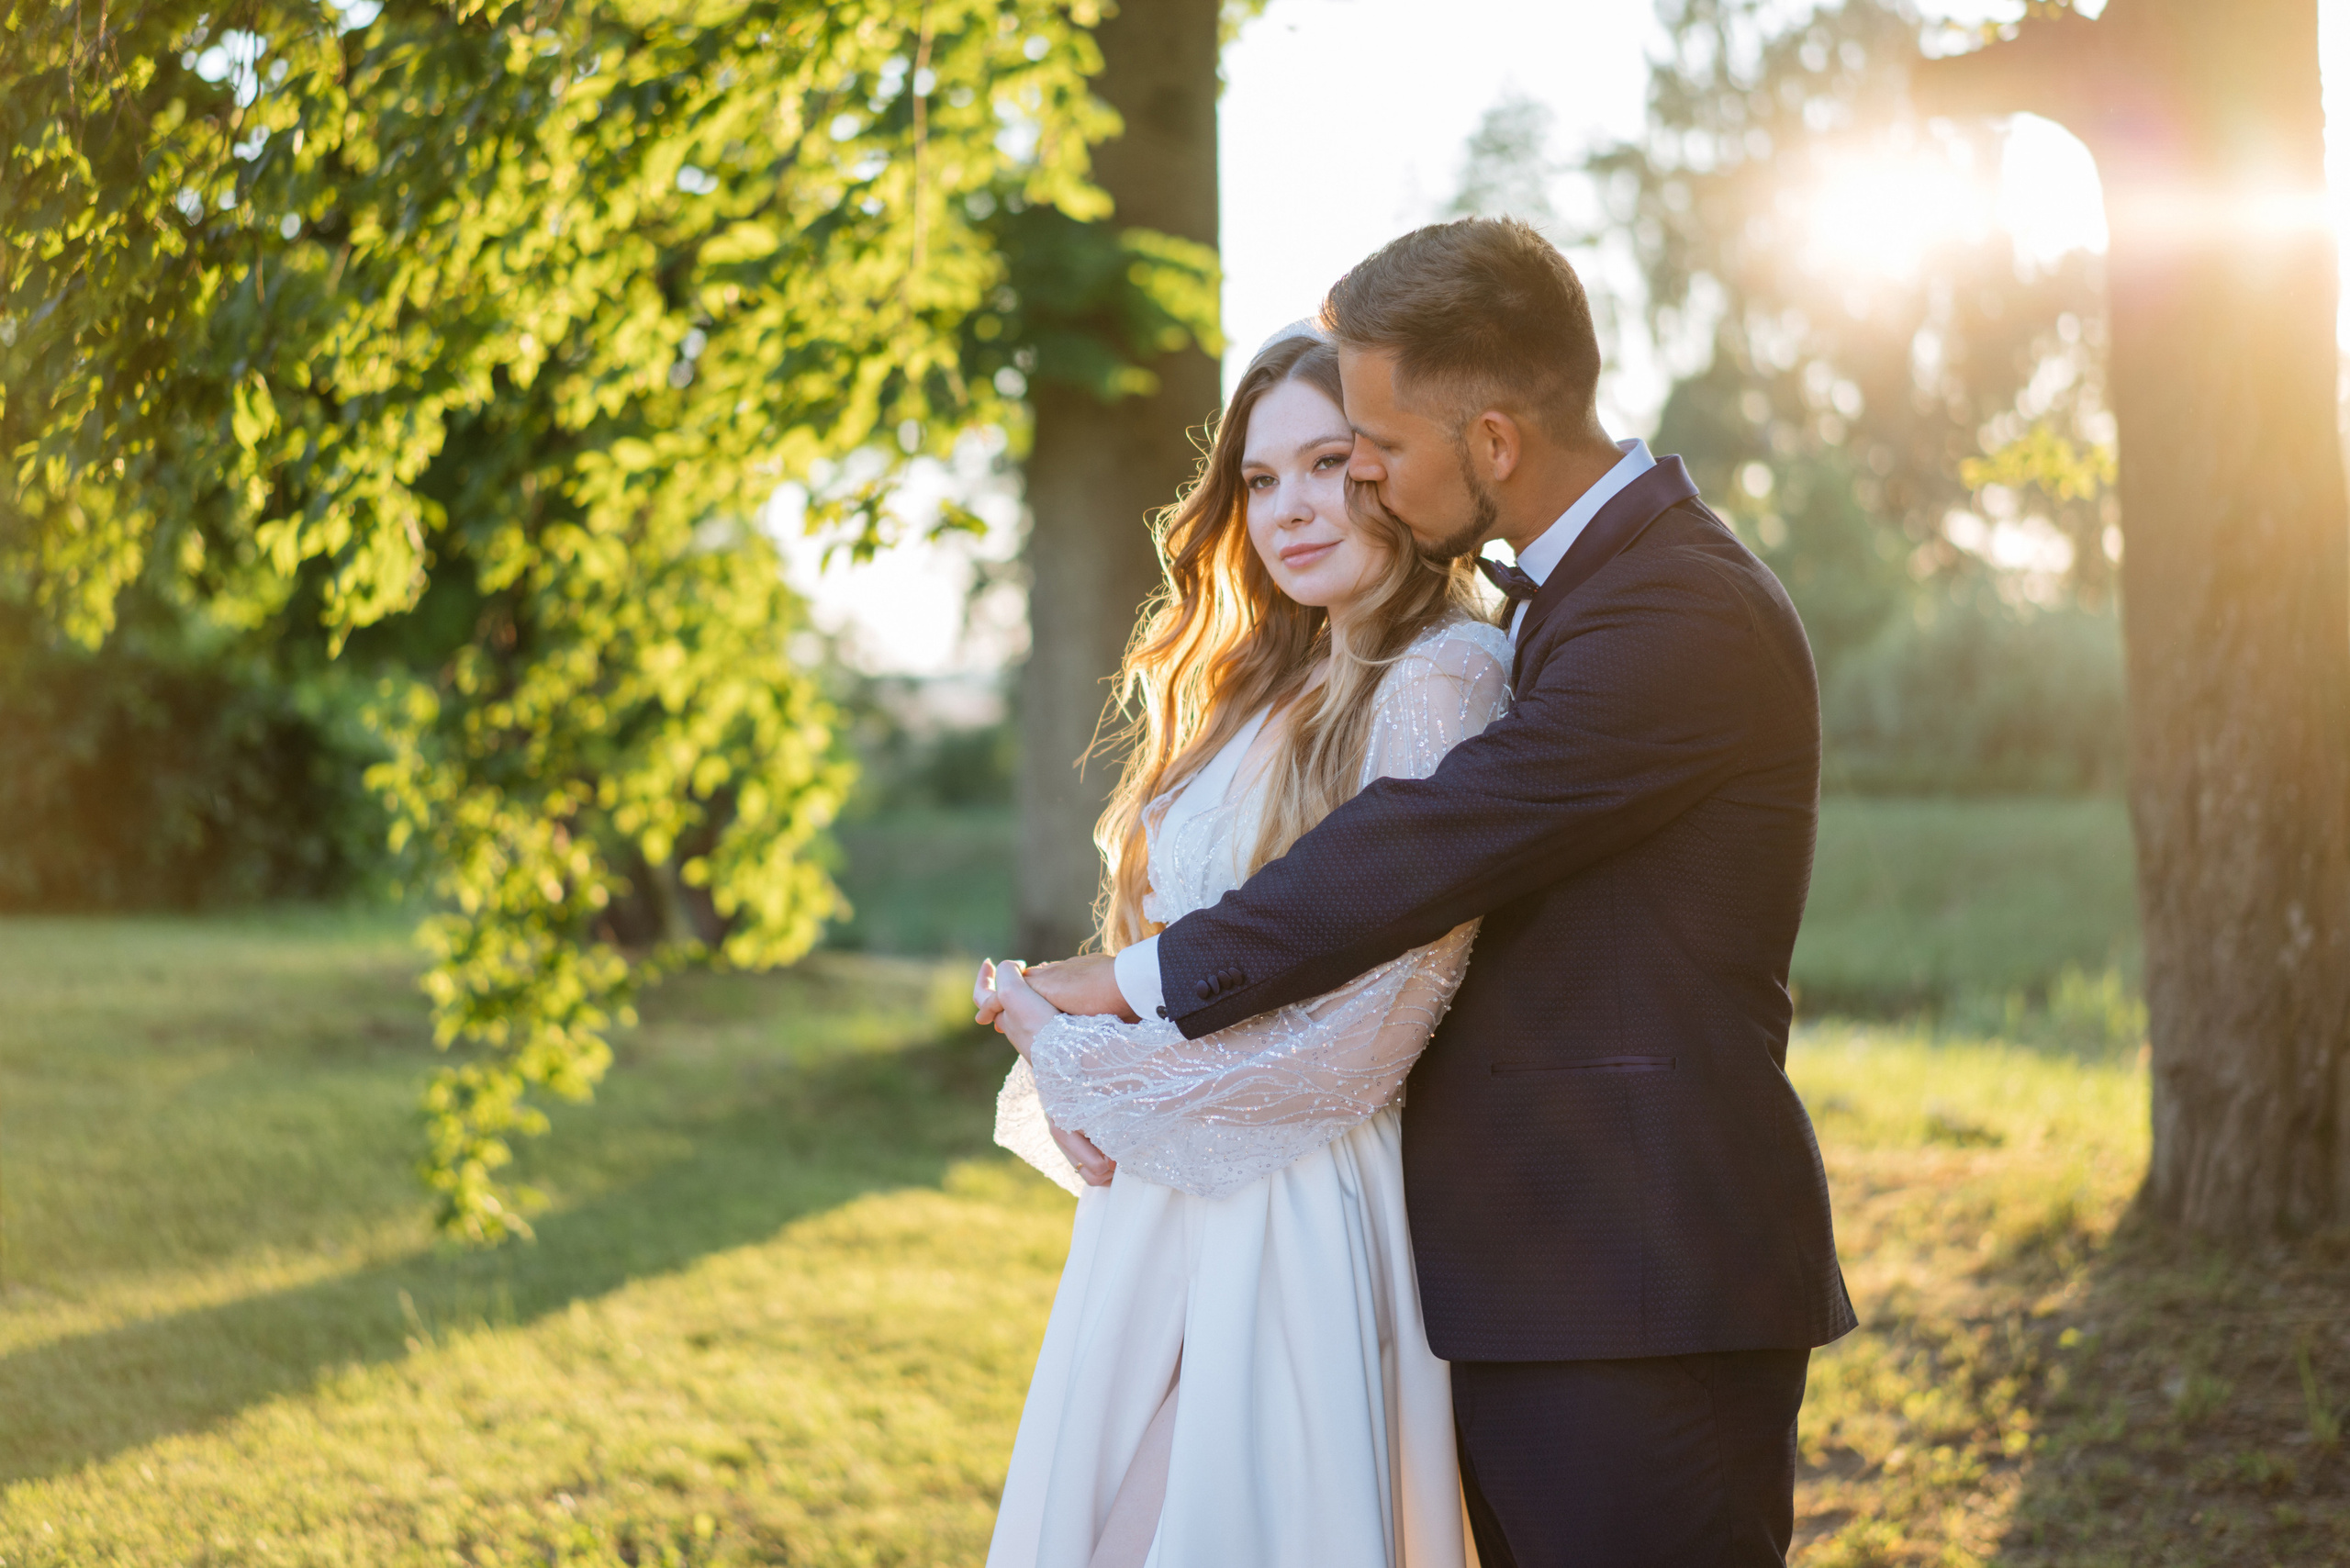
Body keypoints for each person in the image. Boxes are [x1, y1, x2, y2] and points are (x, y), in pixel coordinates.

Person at [1018, 218, 1857, 1568]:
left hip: (1642, 1285)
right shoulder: (1585, 600)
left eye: (1379, 455)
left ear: (1496, 444)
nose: (1364, 487)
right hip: (1530, 1281)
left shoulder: (1678, 614)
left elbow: (1425, 845)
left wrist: (1133, 986)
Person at [977, 320, 1511, 1568]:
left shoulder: (1444, 678)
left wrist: (1092, 1072)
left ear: (1391, 467)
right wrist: (1063, 1040)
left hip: (1299, 1196)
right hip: (1169, 1197)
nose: (1290, 509)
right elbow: (1180, 950)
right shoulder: (1258, 687)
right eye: (1261, 481)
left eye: (1328, 464)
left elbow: (1374, 1024)